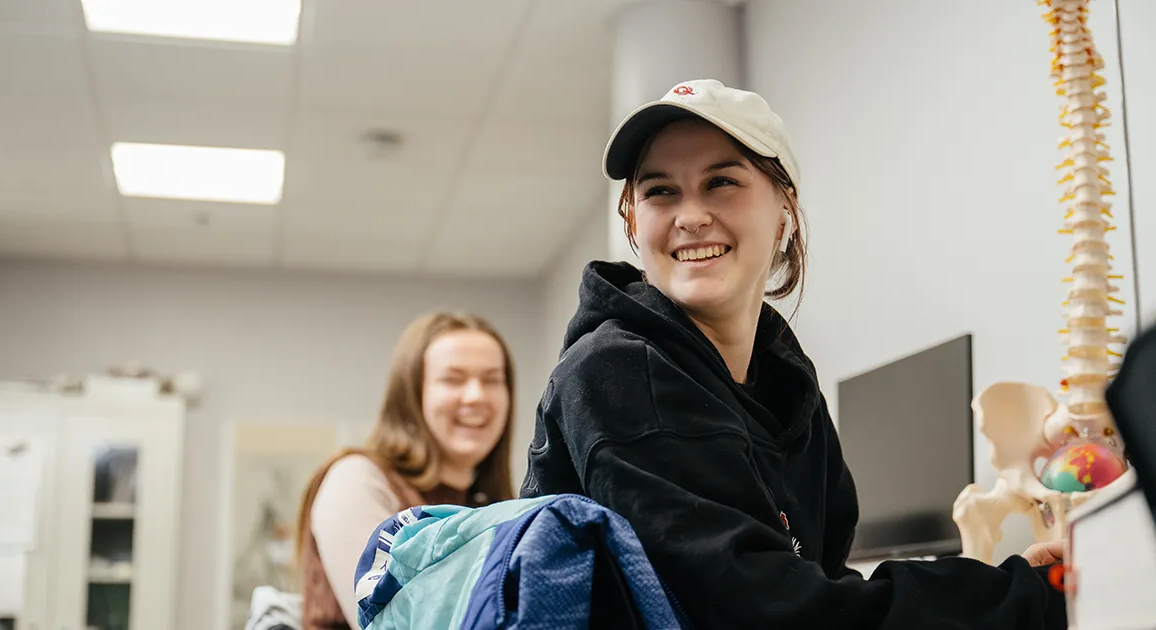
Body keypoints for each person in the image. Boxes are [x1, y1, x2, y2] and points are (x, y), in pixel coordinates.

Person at [520, 79, 1068, 629]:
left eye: (721, 182)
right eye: (660, 191)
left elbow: (819, 587)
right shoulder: (618, 370)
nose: (690, 216)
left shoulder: (785, 384)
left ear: (785, 213)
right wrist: (1021, 597)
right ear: (634, 224)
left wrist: (1016, 588)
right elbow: (771, 613)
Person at [295, 311, 516, 630]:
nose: (476, 396)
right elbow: (391, 623)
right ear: (412, 394)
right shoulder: (357, 479)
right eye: (453, 379)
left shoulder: (497, 507)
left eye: (492, 380)